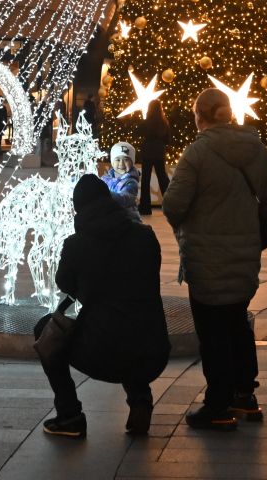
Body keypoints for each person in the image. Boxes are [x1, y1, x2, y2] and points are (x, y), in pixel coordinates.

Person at [164, 86, 267, 430]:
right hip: (245, 253)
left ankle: (217, 405)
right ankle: (245, 396)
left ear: (199, 116)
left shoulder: (196, 153)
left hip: (205, 256)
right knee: (237, 323)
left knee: (213, 330)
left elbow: (173, 204)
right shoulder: (253, 146)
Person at [36, 174, 171, 440]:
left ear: (79, 210)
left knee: (45, 330)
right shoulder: (146, 238)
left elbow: (64, 283)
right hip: (153, 351)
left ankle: (69, 413)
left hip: (104, 353)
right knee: (131, 324)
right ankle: (140, 400)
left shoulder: (76, 245)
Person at [137, 103, 173, 215]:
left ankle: (145, 207)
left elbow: (138, 132)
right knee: (163, 178)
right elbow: (167, 140)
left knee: (145, 180)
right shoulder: (164, 123)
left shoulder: (147, 122)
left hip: (148, 151)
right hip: (159, 152)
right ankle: (171, 205)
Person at [103, 142, 140, 211]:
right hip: (111, 216)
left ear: (132, 162)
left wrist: (105, 194)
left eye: (126, 159)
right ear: (112, 162)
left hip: (127, 218)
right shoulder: (105, 179)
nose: (121, 163)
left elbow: (125, 198)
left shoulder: (131, 182)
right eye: (117, 159)